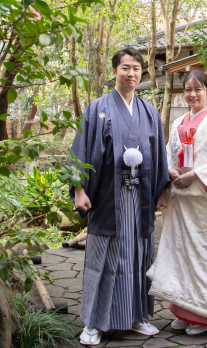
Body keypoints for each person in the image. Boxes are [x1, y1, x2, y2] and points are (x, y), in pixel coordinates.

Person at [70, 46, 171, 346]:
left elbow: (160, 156)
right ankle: (93, 322)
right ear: (115, 71)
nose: (131, 73)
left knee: (138, 256)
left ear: (142, 73)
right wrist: (79, 190)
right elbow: (81, 151)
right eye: (125, 67)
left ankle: (137, 316)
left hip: (139, 199)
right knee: (103, 259)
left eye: (137, 68)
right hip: (106, 198)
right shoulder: (96, 108)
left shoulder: (150, 113)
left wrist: (163, 190)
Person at [147, 70, 207, 335]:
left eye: (198, 89)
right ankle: (183, 310)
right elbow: (168, 154)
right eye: (188, 89)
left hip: (203, 202)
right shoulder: (179, 121)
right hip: (181, 202)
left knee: (201, 257)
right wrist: (170, 171)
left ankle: (204, 314)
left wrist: (196, 175)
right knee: (180, 256)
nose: (192, 94)